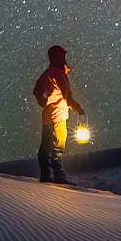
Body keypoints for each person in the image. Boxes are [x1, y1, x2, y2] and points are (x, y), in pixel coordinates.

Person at [32, 45, 84, 184]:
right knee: (58, 147)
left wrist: (42, 101)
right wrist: (77, 108)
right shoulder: (59, 73)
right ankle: (59, 177)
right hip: (59, 115)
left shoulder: (46, 73)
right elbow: (67, 95)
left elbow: (36, 90)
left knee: (46, 147)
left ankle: (46, 176)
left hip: (47, 115)